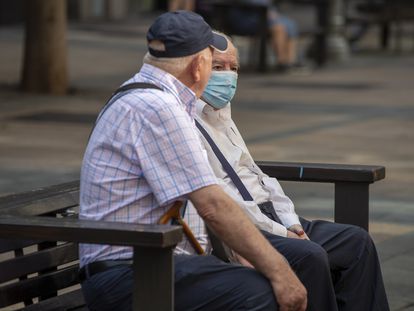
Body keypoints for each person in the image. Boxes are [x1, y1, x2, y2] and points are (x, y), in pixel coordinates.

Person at [78, 11, 307, 311]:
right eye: (213, 64)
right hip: (130, 273)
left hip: (148, 262)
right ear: (199, 66)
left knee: (268, 275)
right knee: (260, 291)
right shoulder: (157, 107)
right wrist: (279, 270)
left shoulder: (147, 95)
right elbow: (212, 204)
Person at [186, 34, 390, 311]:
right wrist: (280, 230)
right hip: (245, 227)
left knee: (356, 242)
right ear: (197, 68)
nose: (228, 77)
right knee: (310, 255)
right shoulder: (185, 122)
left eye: (234, 68)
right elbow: (219, 201)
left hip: (272, 216)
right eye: (218, 67)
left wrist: (291, 221)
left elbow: (259, 177)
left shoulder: (222, 114)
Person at [226, 0, 303, 72]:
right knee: (278, 28)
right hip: (246, 17)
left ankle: (290, 61)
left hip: (265, 16)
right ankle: (282, 62)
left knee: (291, 25)